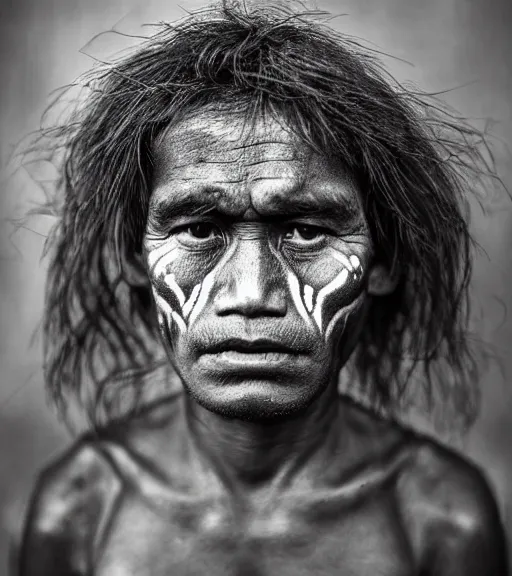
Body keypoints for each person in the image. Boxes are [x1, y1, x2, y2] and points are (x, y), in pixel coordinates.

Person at [17, 2, 508, 574]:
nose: (251, 292)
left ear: (385, 258)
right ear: (134, 254)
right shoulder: (81, 510)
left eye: (307, 230)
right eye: (199, 229)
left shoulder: (438, 520)